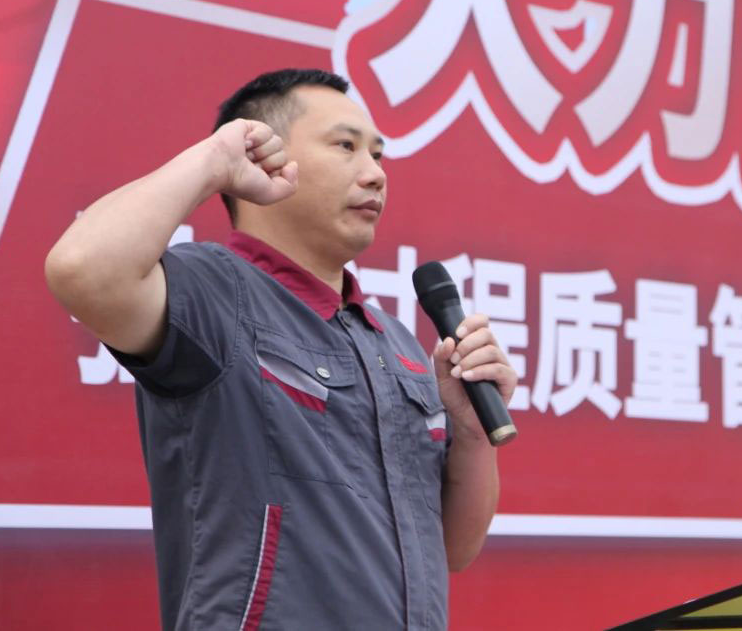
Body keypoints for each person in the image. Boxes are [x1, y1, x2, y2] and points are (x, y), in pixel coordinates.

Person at [45, 68, 515, 630]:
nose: (375, 174)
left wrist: (470, 433)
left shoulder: (397, 342)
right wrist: (213, 162)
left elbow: (453, 549)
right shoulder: (214, 293)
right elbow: (82, 269)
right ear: (263, 157)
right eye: (345, 147)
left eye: (378, 155)